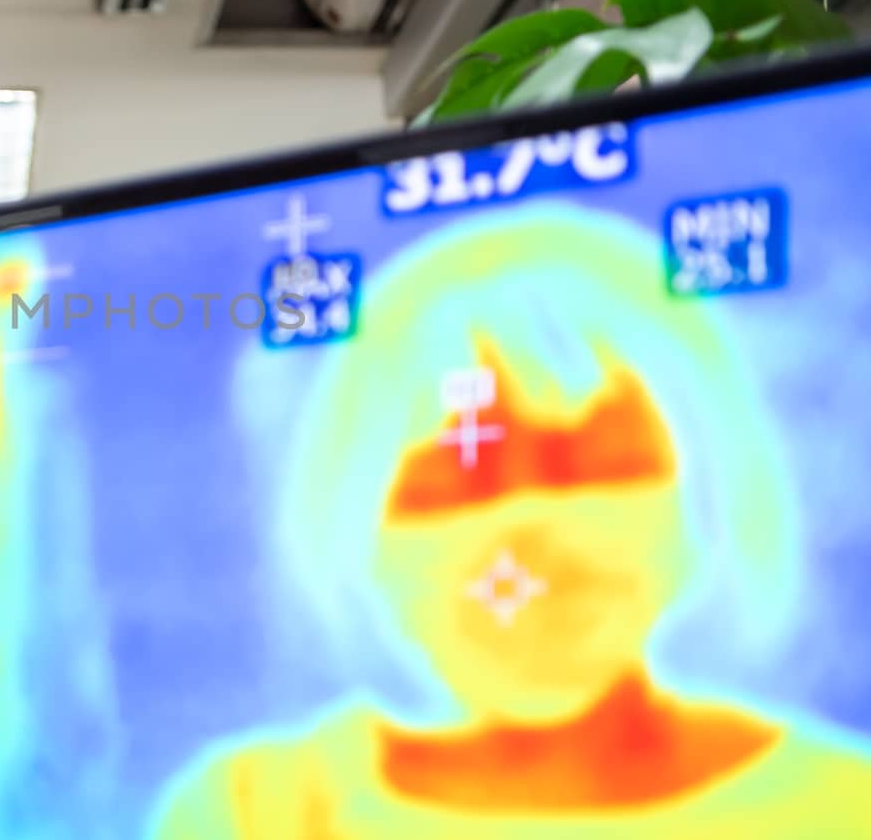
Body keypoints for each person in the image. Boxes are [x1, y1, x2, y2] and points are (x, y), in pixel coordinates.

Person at [150, 205, 871, 839]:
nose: (523, 544)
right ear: (354, 527)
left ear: (708, 496)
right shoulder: (250, 813)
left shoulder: (847, 803)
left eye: (597, 468)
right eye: (445, 489)